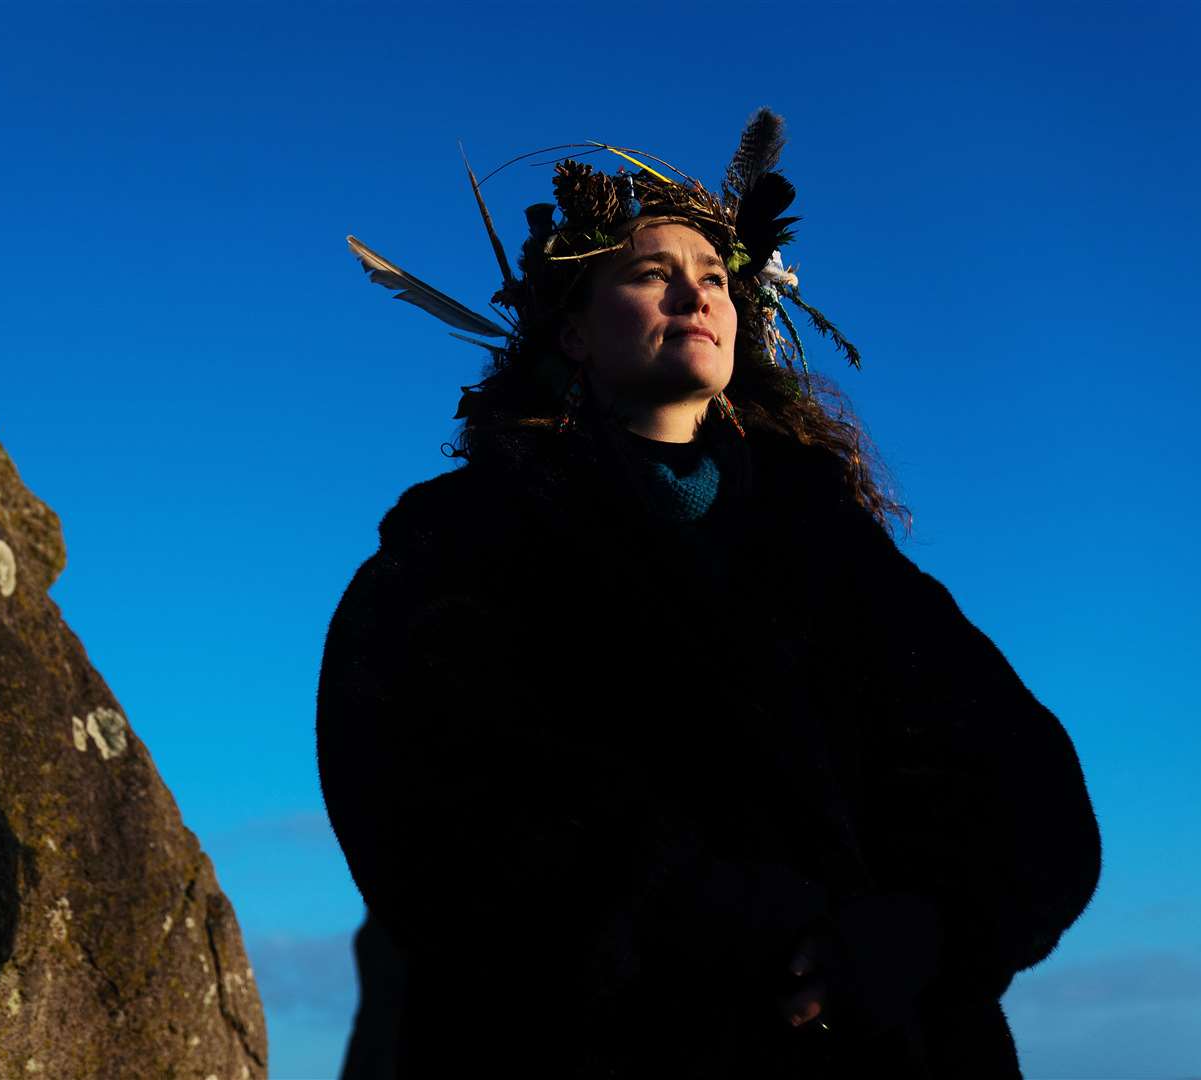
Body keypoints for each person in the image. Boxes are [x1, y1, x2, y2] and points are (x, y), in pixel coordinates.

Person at [317, 112, 1100, 1078]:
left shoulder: (836, 548)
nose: (694, 292)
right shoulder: (463, 544)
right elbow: (427, 802)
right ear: (571, 328)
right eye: (650, 274)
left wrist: (918, 933)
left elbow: (1028, 792)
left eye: (717, 277)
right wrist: (728, 925)